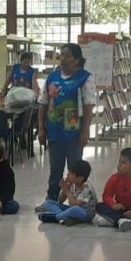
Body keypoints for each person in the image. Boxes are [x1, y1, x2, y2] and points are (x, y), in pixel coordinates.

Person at [36, 43, 97, 204]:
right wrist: (41, 129)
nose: (63, 59)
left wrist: (85, 131)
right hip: (54, 131)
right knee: (55, 169)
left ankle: (76, 200)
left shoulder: (85, 78)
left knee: (74, 170)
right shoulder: (52, 77)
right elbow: (42, 104)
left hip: (74, 133)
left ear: (77, 60)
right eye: (62, 55)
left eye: (68, 56)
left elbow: (88, 106)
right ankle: (51, 200)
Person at [93, 147, 131, 232]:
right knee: (99, 206)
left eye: (124, 163)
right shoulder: (115, 178)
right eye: (119, 162)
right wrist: (113, 205)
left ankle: (113, 220)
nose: (119, 165)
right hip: (120, 209)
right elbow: (107, 196)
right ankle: (122, 221)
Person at [37, 159, 98, 226]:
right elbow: (60, 201)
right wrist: (64, 189)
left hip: (85, 213)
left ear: (80, 178)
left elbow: (74, 205)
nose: (68, 175)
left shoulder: (87, 188)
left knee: (75, 209)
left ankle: (55, 217)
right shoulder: (72, 184)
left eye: (71, 174)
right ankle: (65, 217)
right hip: (72, 209)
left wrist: (67, 191)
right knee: (48, 203)